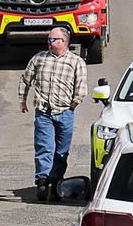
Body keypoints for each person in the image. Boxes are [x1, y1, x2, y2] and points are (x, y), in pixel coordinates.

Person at [19, 25, 87, 201]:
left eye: (53, 39)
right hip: (44, 113)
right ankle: (42, 182)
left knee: (61, 151)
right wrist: (22, 100)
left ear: (64, 42)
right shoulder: (39, 59)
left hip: (65, 113)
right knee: (44, 147)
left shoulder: (76, 62)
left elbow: (81, 89)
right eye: (49, 39)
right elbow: (26, 79)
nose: (49, 42)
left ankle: (56, 183)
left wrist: (72, 105)